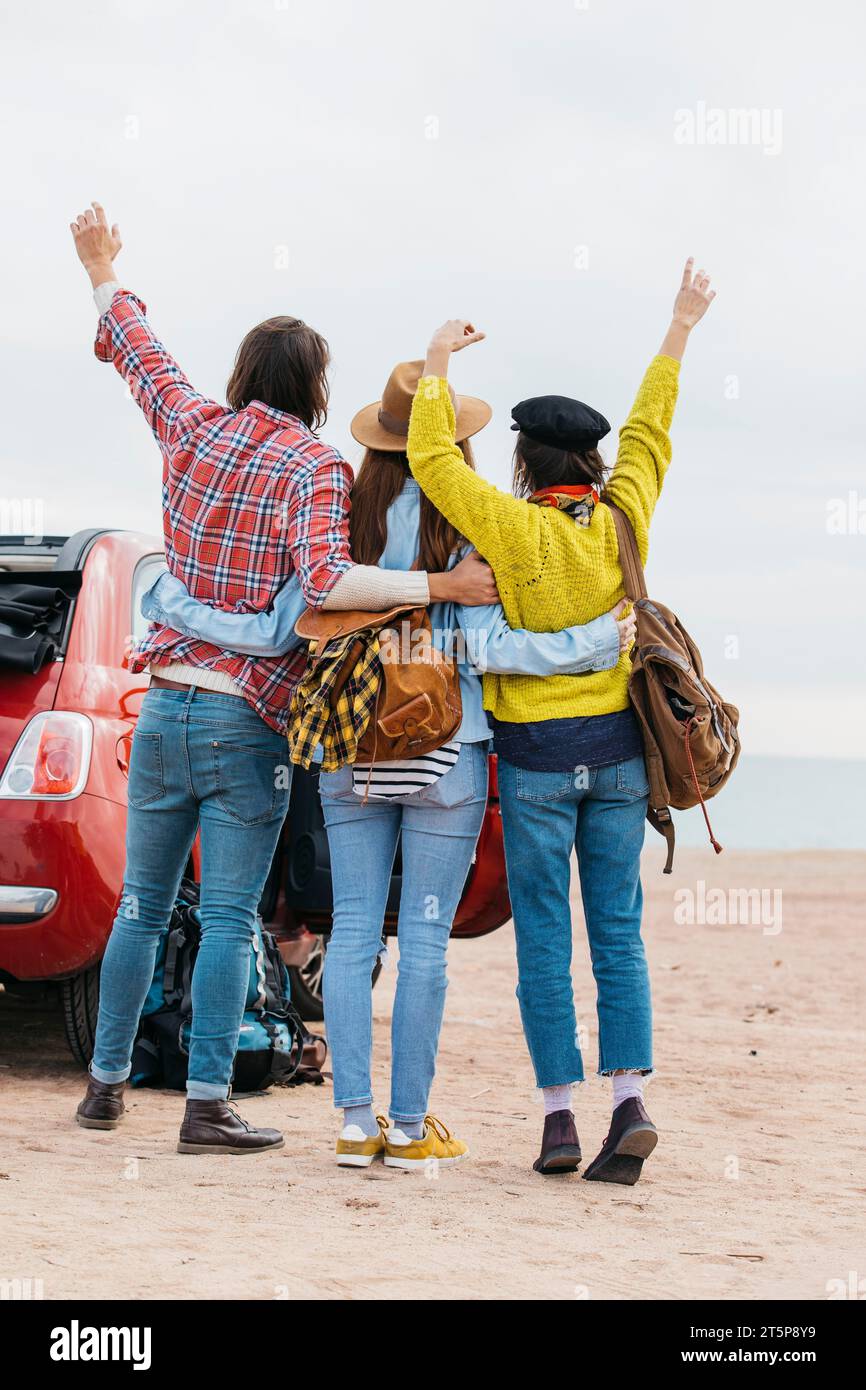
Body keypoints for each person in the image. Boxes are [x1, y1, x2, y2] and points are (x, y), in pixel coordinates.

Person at [68, 203, 498, 1156]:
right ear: (313, 386)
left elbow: (139, 352)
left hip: (166, 699)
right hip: (243, 718)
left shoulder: (190, 427)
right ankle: (205, 1102)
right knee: (224, 916)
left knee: (141, 903)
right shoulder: (309, 462)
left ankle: (103, 1086)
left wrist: (101, 267)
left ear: (241, 376)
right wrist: (440, 583)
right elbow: (329, 583)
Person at [152, 357, 635, 1169]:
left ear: (378, 442)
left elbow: (307, 604)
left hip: (354, 748)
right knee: (426, 943)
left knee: (349, 940)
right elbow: (490, 649)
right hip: (447, 751)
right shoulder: (474, 523)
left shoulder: (344, 509)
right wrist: (595, 641)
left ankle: (351, 1123)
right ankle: (408, 1127)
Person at [406, 260, 716, 1183]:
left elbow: (427, 459)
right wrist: (680, 326)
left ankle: (557, 1122)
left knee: (544, 933)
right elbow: (654, 430)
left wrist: (434, 361)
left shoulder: (509, 526)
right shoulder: (624, 520)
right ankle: (629, 1101)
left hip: (535, 765)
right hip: (620, 760)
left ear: (523, 463)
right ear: (592, 462)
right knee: (616, 930)